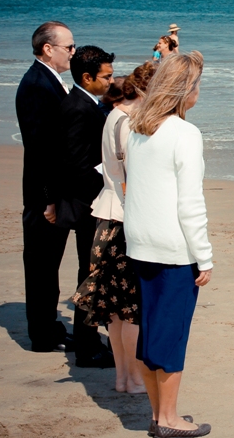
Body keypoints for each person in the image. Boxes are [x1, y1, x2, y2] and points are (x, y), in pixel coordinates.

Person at [124, 52, 213, 437]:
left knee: (150, 333)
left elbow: (138, 191)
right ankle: (169, 419)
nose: (199, 92)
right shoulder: (184, 133)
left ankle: (159, 415)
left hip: (141, 242)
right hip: (174, 248)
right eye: (197, 85)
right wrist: (204, 256)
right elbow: (190, 203)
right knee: (172, 335)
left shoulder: (138, 126)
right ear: (184, 90)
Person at [74, 63, 155, 394]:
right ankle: (131, 377)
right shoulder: (127, 121)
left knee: (117, 312)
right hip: (122, 219)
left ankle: (124, 377)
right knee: (129, 310)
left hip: (108, 216)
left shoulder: (114, 115)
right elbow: (131, 178)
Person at [14, 21, 75, 353]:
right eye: (69, 47)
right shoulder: (37, 85)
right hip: (44, 196)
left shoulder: (50, 80)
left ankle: (48, 326)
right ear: (48, 48)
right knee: (40, 266)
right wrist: (50, 201)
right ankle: (42, 335)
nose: (73, 53)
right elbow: (39, 149)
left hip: (51, 192)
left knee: (48, 265)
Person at [58, 45, 116, 368]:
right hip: (86, 206)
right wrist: (109, 180)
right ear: (87, 77)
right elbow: (76, 164)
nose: (110, 81)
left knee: (91, 273)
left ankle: (89, 340)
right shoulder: (78, 108)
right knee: (89, 275)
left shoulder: (86, 103)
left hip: (88, 203)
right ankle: (86, 345)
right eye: (105, 77)